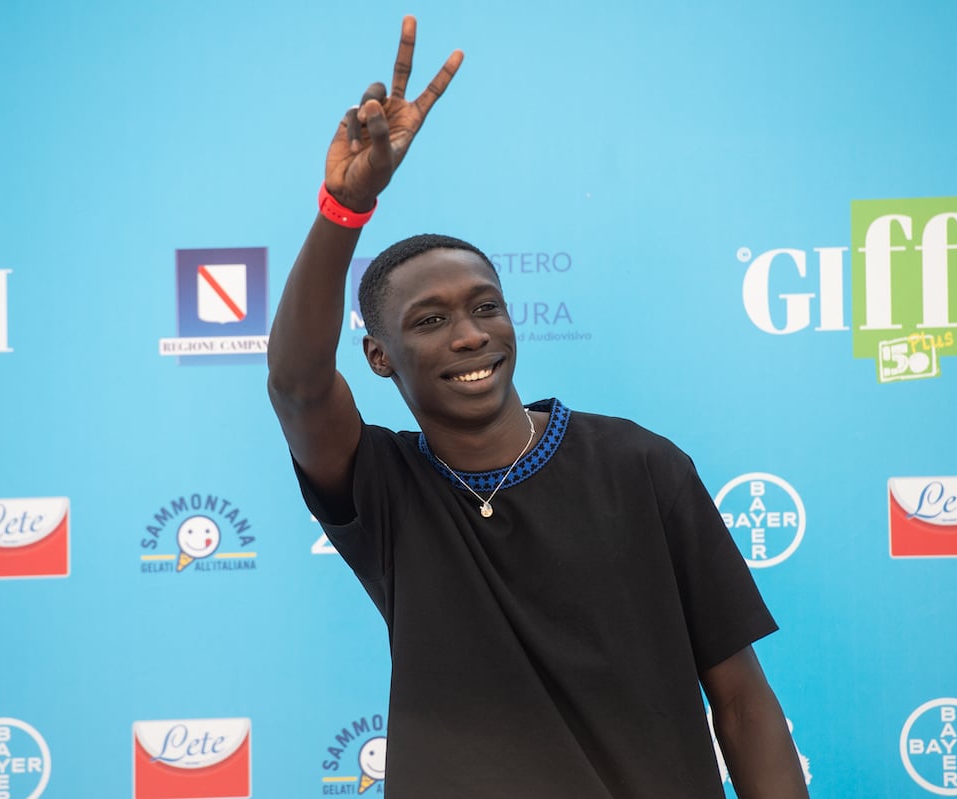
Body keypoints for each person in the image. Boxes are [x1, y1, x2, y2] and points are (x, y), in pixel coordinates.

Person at [267, 16, 809, 799]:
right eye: (430, 320)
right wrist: (345, 207)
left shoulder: (640, 465)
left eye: (485, 306)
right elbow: (298, 384)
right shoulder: (384, 488)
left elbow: (744, 702)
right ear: (379, 356)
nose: (469, 334)